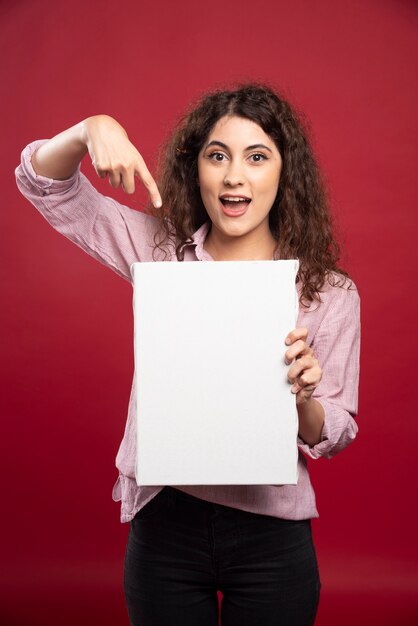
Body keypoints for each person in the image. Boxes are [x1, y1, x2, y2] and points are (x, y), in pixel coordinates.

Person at [15, 84, 360, 626]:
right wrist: (89, 128)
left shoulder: (329, 293)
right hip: (166, 526)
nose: (233, 176)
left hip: (273, 535)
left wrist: (304, 398)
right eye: (217, 155)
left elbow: (333, 432)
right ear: (195, 168)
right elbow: (44, 184)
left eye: (257, 156)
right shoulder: (160, 256)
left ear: (284, 172)